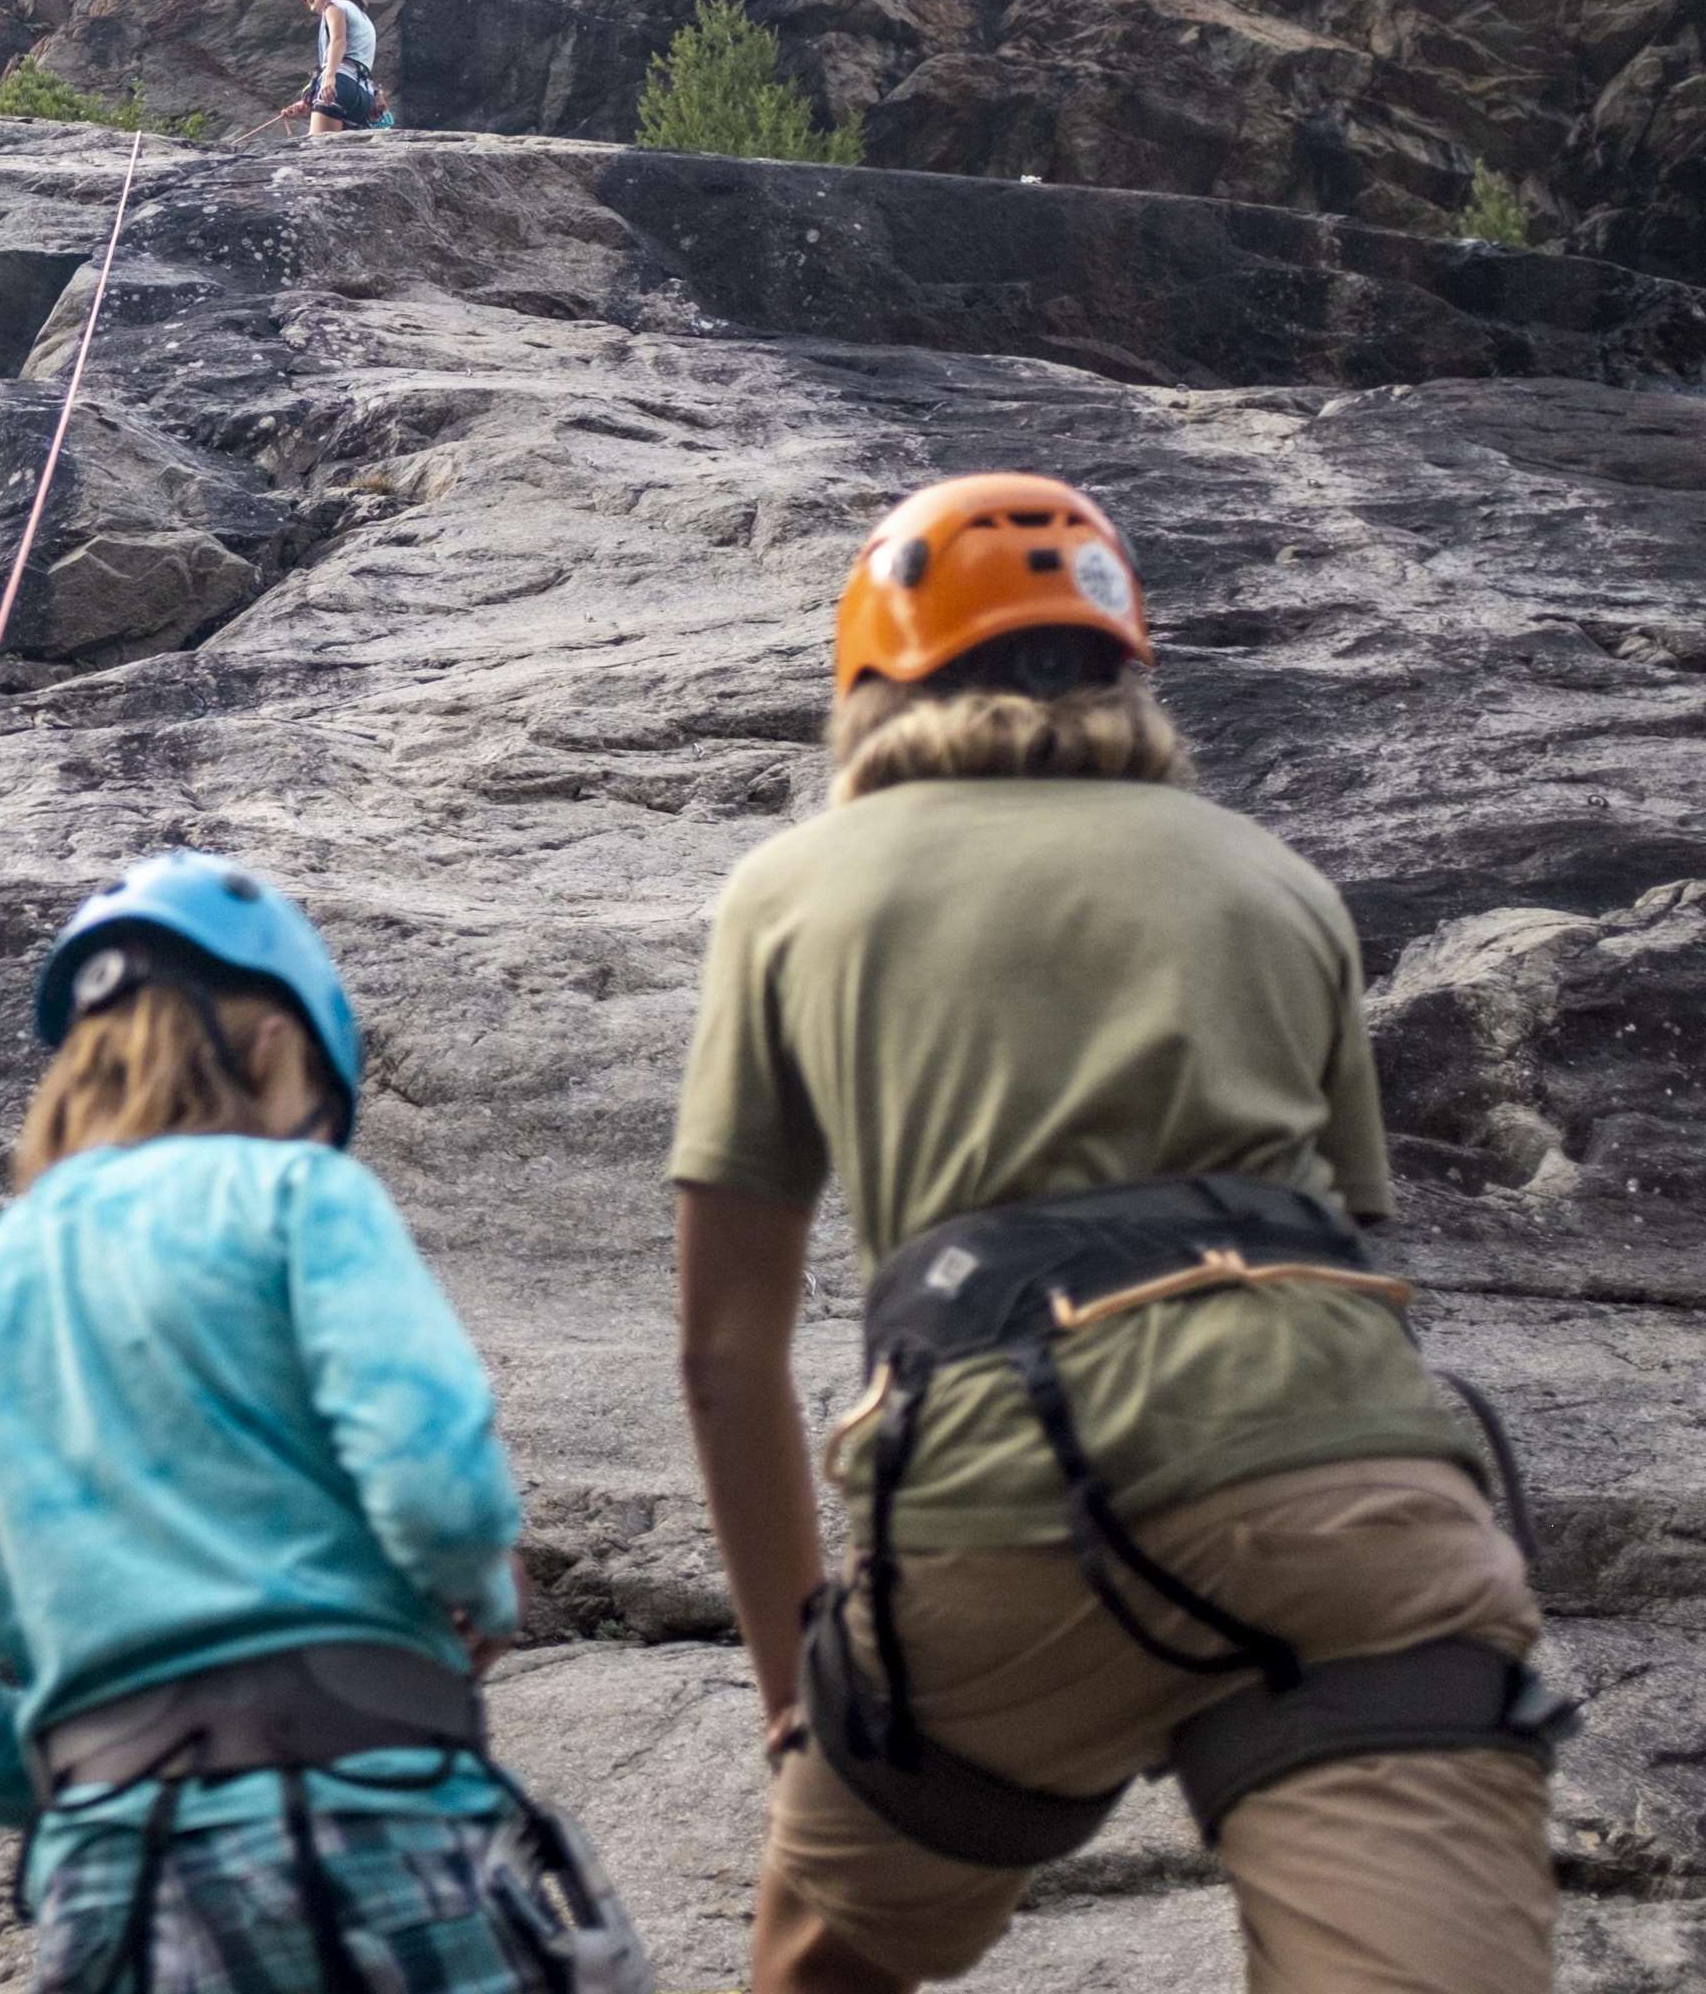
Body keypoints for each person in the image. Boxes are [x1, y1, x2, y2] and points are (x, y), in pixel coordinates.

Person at [669, 473, 1572, 1994]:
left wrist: (798, 1705)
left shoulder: (793, 888)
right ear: (1122, 669)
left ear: (875, 677)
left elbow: (722, 1349)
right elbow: (1357, 1256)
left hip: (1001, 1501)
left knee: (817, 1964)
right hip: (1350, 1500)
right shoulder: (1281, 885)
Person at [0, 852, 646, 1994]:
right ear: (279, 1045)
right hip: (370, 1826)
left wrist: (110, 1771)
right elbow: (437, 1491)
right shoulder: (295, 1196)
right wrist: (481, 1593)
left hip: (110, 1903)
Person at [280, 0, 381, 137]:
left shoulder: (334, 6)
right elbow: (356, 60)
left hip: (339, 85)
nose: (313, 8)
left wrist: (329, 77)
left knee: (317, 151)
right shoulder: (363, 17)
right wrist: (307, 102)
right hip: (363, 96)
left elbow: (338, 40)